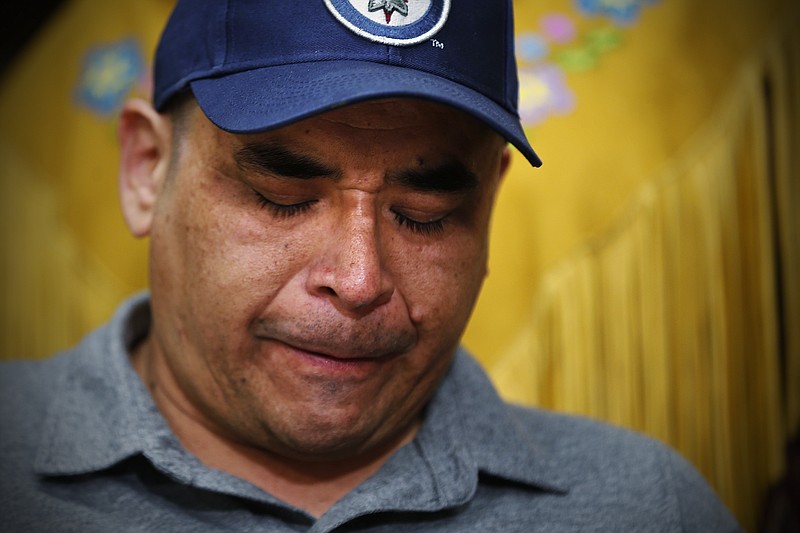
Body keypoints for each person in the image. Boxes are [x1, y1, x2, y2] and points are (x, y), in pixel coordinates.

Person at [0, 0, 740, 531]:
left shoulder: (651, 507)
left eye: (426, 215)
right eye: (283, 197)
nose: (358, 281)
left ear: (490, 205)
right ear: (146, 171)